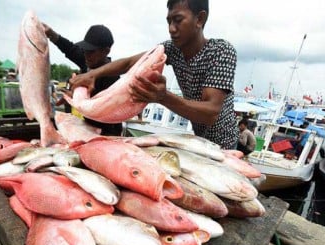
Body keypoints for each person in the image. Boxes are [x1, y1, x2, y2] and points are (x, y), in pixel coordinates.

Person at [69, 0, 238, 149]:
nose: (171, 29)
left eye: (178, 20)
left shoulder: (221, 51)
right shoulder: (172, 49)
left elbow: (211, 113)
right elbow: (129, 63)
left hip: (224, 145)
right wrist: (93, 74)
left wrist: (162, 97)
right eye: (169, 21)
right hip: (199, 140)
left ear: (200, 19)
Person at [43, 23, 122, 136]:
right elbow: (70, 49)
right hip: (87, 128)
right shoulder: (88, 61)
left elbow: (105, 112)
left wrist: (75, 99)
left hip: (107, 133)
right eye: (85, 50)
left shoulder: (112, 78)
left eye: (91, 51)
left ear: (106, 51)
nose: (86, 54)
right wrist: (51, 34)